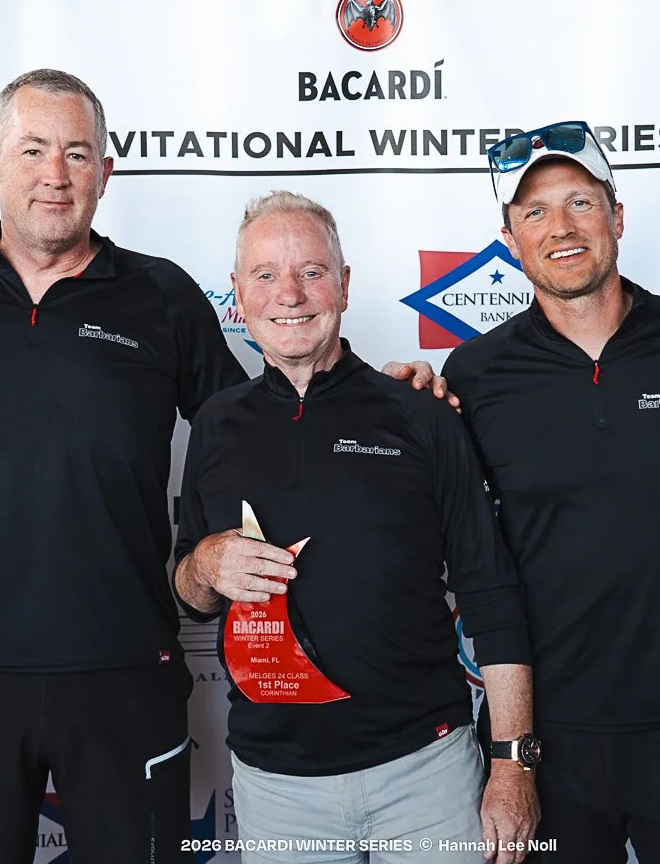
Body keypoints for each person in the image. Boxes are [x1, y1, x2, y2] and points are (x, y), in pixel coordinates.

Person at [400, 121, 660, 862]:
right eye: (534, 212)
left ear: (616, 216)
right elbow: (431, 535)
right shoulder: (476, 373)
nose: (560, 228)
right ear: (510, 240)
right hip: (544, 738)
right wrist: (393, 411)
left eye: (580, 203)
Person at [0, 70, 247, 863]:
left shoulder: (163, 294)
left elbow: (248, 437)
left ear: (104, 173)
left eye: (77, 154)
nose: (56, 174)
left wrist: (372, 394)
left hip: (125, 669)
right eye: (33, 149)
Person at [172, 192, 539, 864]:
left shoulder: (422, 414)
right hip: (276, 788)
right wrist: (202, 564)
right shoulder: (216, 424)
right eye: (265, 275)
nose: (289, 294)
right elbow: (190, 594)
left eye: (311, 272)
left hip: (427, 772)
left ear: (343, 284)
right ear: (238, 293)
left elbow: (492, 596)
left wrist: (513, 764)